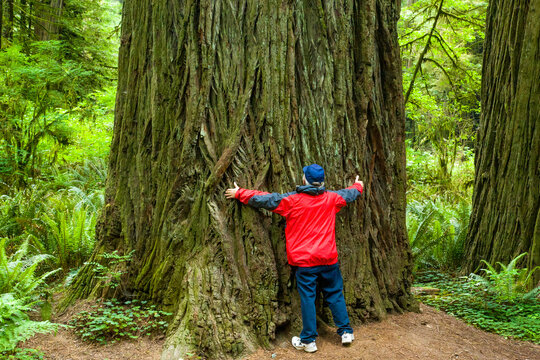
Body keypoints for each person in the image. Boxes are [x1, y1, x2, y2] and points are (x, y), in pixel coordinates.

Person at [225, 164, 364, 353]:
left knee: (308, 298)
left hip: (305, 263)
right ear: (322, 181)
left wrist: (240, 193)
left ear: (305, 179)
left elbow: (266, 199)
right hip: (328, 259)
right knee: (335, 294)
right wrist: (359, 186)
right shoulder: (332, 199)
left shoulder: (292, 201)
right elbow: (350, 194)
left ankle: (308, 340)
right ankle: (346, 332)